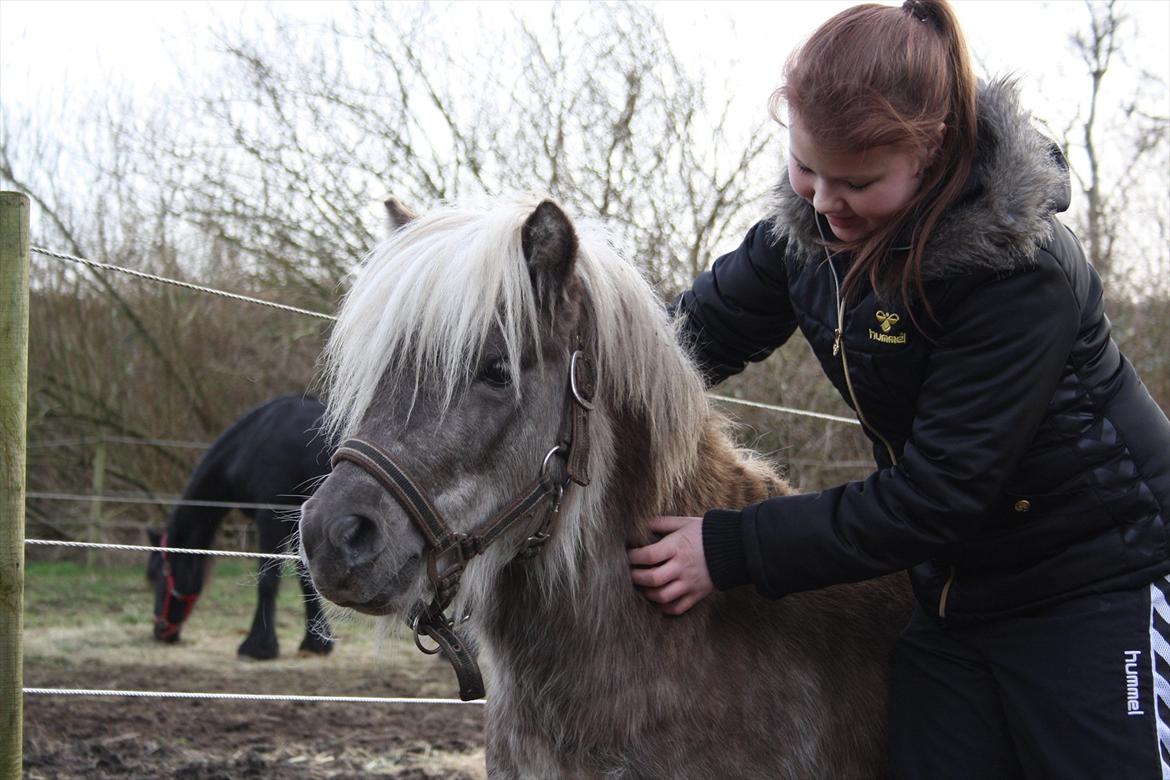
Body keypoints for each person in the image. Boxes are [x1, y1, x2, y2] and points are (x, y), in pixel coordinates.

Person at [626, 0, 1170, 776]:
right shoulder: (808, 233)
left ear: (932, 151)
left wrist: (730, 546)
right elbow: (684, 344)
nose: (823, 203)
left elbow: (935, 496)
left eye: (857, 181)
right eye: (806, 168)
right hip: (954, 596)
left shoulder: (1020, 275)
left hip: (1096, 581)